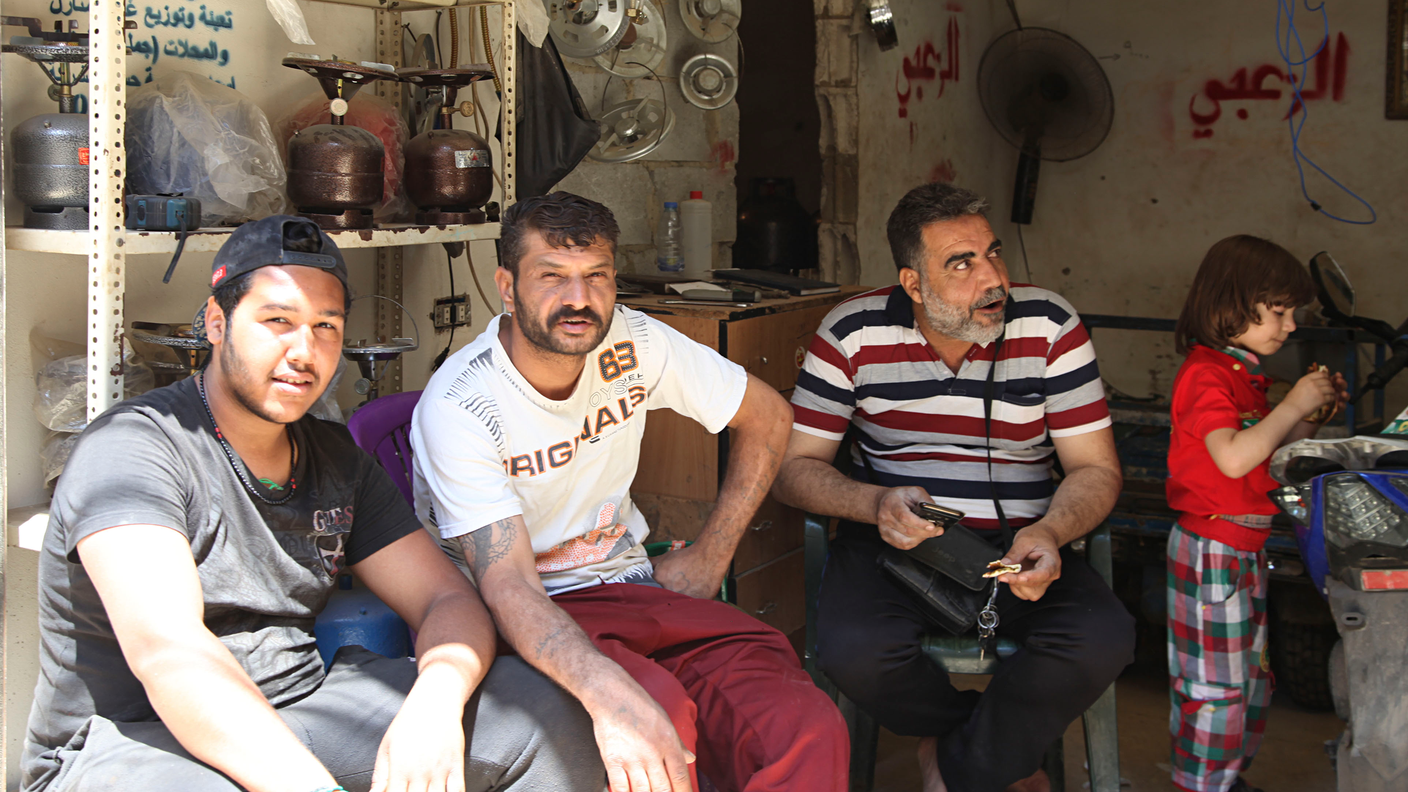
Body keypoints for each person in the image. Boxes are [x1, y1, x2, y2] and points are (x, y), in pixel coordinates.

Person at [22, 215, 603, 792]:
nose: (305, 350)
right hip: (133, 743)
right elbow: (171, 654)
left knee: (547, 712)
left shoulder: (333, 458)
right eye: (278, 321)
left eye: (326, 326)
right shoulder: (135, 449)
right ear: (217, 323)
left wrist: (435, 703)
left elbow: (444, 597)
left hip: (298, 709)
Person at [410, 191, 849, 792]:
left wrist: (712, 555)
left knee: (804, 727)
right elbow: (508, 585)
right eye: (552, 277)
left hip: (632, 589)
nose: (579, 300)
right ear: (507, 288)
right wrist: (609, 694)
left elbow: (769, 417)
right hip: (521, 617)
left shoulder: (636, 341)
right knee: (657, 735)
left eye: (597, 277)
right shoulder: (462, 404)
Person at [771, 182, 1136, 792]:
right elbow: (794, 468)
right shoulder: (851, 333)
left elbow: (1096, 470)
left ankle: (957, 769)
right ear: (913, 284)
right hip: (898, 545)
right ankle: (995, 760)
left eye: (993, 253)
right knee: (854, 650)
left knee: (1104, 640)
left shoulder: (1049, 325)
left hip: (1024, 545)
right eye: (961, 264)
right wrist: (873, 503)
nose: (992, 279)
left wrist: (1049, 531)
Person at [1165, 235, 1347, 792]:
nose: (1290, 326)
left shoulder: (1243, 377)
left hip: (1241, 550)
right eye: (1279, 311)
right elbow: (1234, 455)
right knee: (1214, 691)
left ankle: (1225, 780)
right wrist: (1293, 402)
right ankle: (1201, 786)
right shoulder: (1206, 375)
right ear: (1232, 304)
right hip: (1211, 552)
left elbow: (1265, 456)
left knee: (1248, 685)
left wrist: (1309, 416)